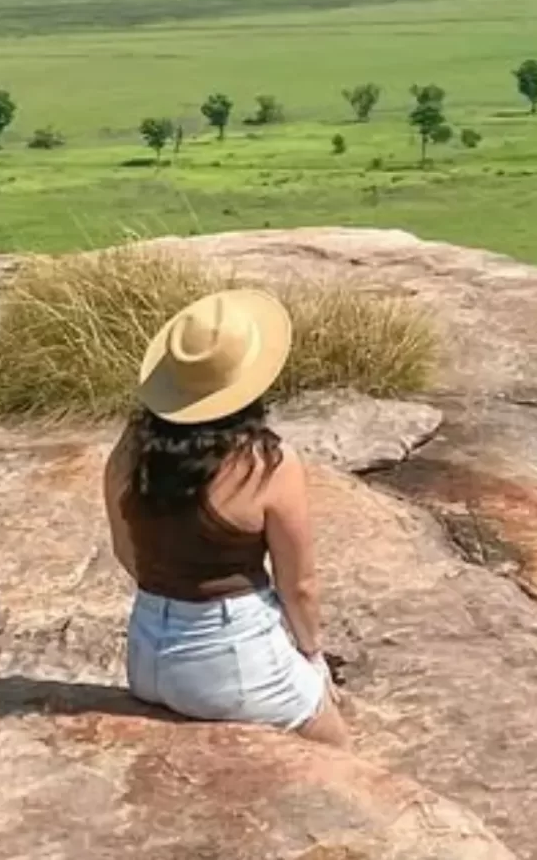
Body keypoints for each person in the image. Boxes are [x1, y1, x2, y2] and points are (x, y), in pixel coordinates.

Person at [102, 289, 348, 744]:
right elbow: (300, 586)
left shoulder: (129, 451)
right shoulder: (266, 463)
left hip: (146, 652)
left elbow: (126, 552)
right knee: (336, 746)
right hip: (230, 657)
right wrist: (312, 658)